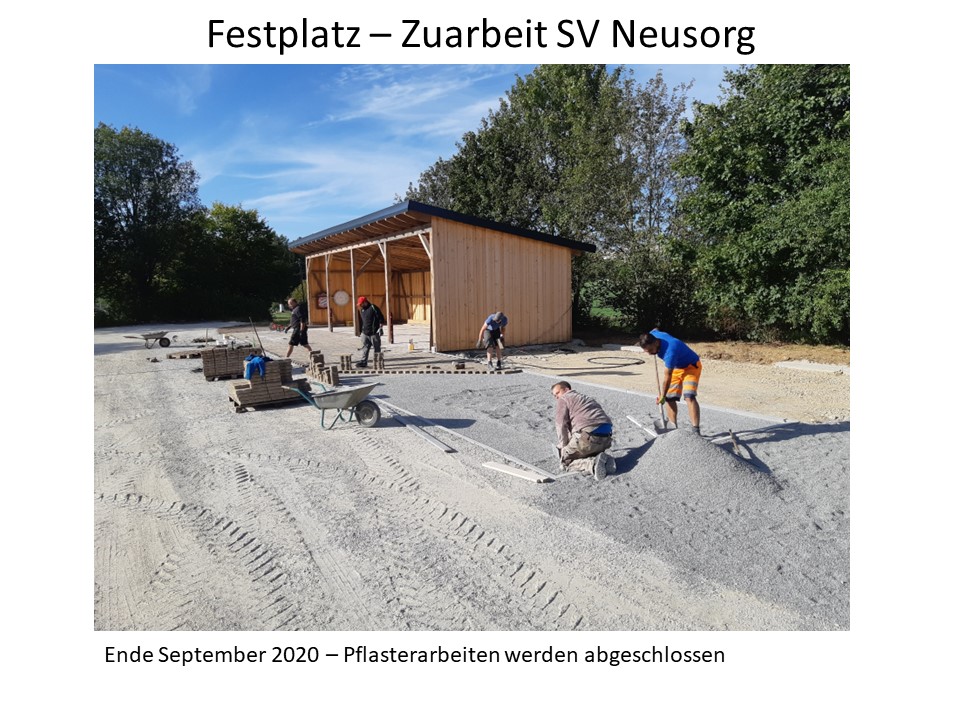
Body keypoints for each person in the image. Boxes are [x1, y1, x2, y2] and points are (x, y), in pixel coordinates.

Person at [638, 329, 702, 435]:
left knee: (689, 396)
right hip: (677, 366)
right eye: (647, 351)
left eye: (651, 350)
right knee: (669, 397)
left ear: (656, 342)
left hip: (691, 367)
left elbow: (667, 377)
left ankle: (696, 430)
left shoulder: (670, 352)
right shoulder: (653, 335)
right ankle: (673, 429)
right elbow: (655, 329)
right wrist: (665, 396)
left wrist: (662, 396)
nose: (649, 354)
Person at [551, 381, 616, 480]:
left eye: (557, 393)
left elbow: (560, 424)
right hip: (606, 438)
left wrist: (563, 446)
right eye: (555, 396)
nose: (557, 397)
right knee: (583, 450)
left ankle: (592, 464)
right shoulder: (588, 399)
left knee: (566, 462)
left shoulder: (564, 398)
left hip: (588, 437)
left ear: (566, 389)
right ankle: (605, 460)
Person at [355, 296, 385, 368]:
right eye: (359, 304)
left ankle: (377, 362)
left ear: (365, 302)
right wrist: (360, 331)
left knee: (377, 348)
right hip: (365, 333)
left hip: (374, 333)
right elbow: (362, 321)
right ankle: (363, 362)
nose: (360, 305)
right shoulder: (362, 310)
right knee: (365, 348)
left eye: (361, 304)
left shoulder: (373, 307)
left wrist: (380, 328)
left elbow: (381, 318)